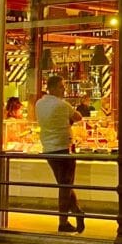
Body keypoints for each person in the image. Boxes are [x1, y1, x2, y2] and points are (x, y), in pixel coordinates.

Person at [35, 75, 85, 233]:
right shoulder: (62, 105)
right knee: (65, 186)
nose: (64, 89)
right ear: (55, 87)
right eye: (62, 86)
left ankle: (77, 212)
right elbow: (78, 117)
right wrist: (69, 121)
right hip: (63, 148)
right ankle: (63, 221)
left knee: (64, 185)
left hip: (48, 148)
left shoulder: (39, 103)